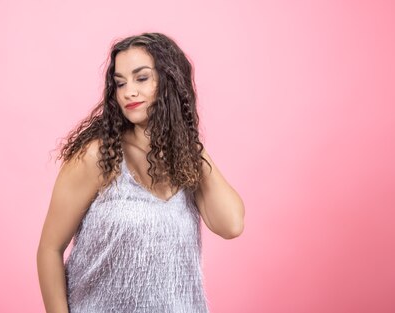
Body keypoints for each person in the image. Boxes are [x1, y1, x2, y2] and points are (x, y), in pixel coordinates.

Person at [36, 32, 245, 313]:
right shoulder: (98, 157)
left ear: (170, 82)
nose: (128, 92)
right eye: (120, 83)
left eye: (141, 78)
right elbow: (49, 250)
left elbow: (231, 225)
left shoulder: (186, 162)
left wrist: (188, 143)